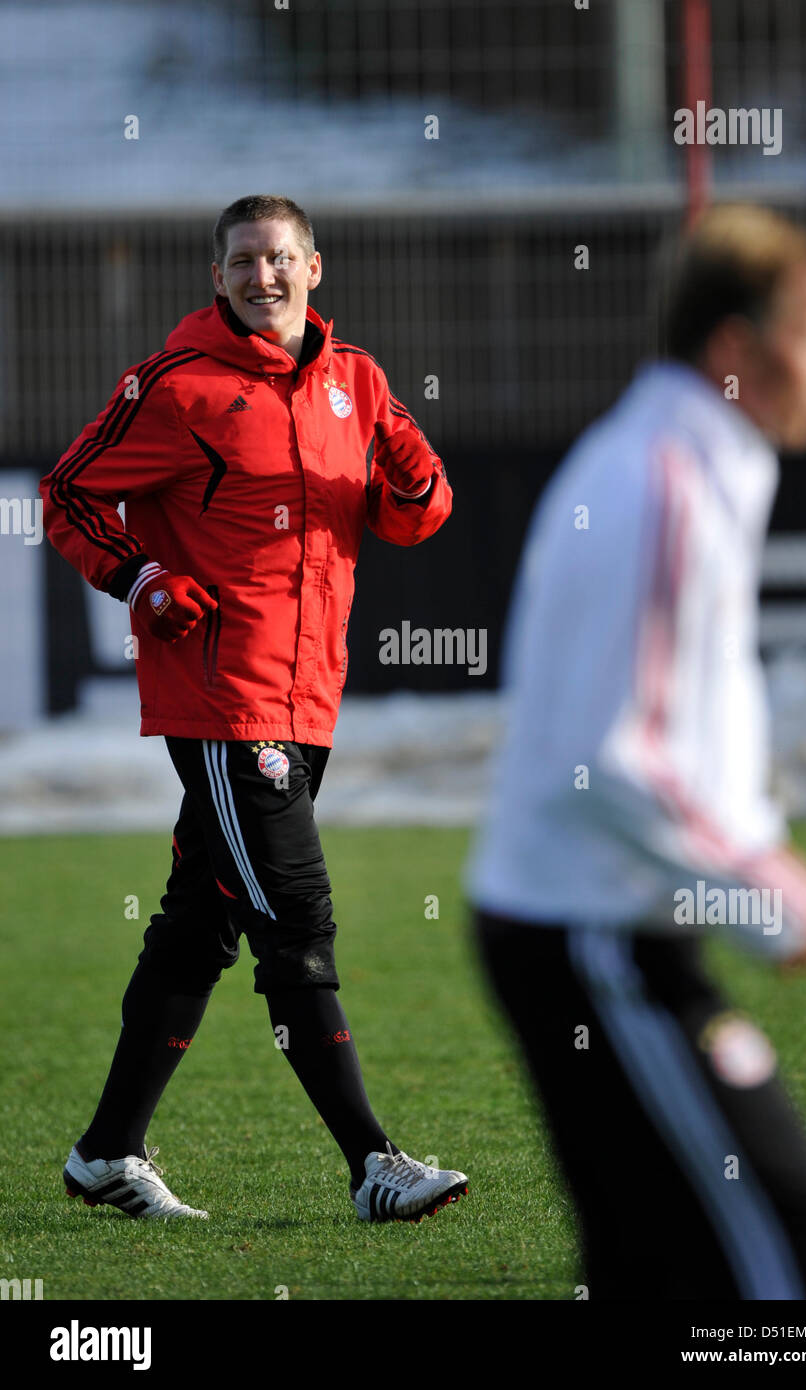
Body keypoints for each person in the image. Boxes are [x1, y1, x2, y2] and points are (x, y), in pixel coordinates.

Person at [40, 193, 468, 1225]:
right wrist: (140, 579)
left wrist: (414, 470)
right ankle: (372, 1162)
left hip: (307, 697)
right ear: (217, 277)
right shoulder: (176, 387)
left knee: (199, 925)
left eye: (278, 259)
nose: (261, 276)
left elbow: (415, 516)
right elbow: (68, 494)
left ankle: (104, 1155)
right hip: (226, 702)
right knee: (297, 917)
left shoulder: (353, 380)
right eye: (241, 262)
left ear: (313, 268)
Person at [466, 203, 806, 1298]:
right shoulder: (662, 482)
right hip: (598, 938)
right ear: (734, 351)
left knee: (656, 1267)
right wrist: (766, 890)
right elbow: (616, 754)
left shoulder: (678, 464)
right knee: (797, 1253)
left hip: (594, 925)